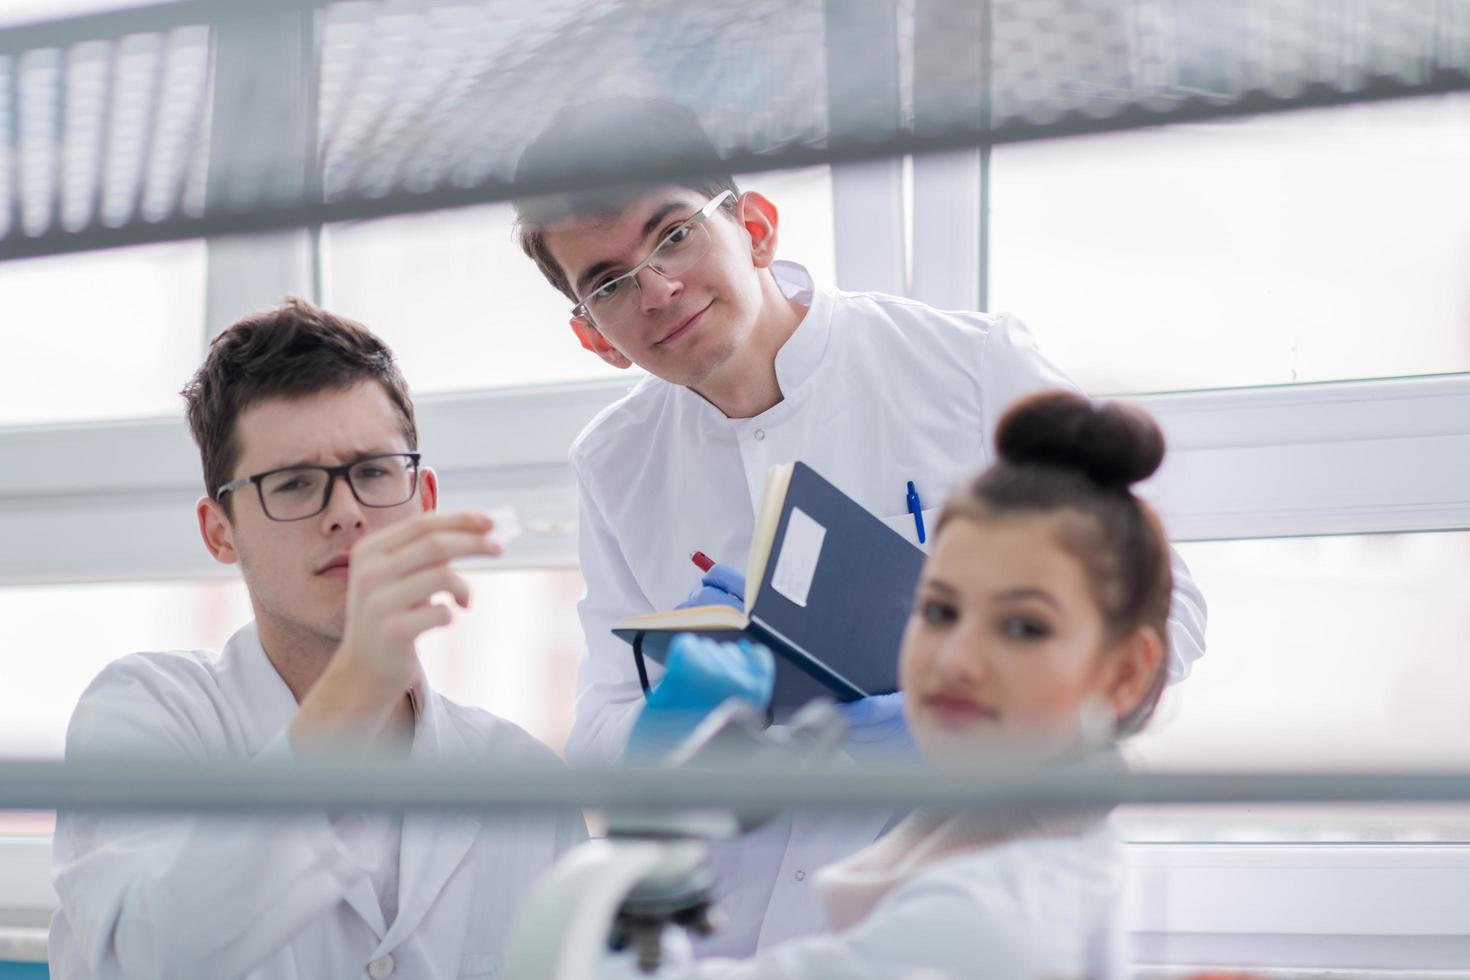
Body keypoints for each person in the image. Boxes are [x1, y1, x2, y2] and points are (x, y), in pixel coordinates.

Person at [512, 96, 1207, 954]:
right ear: (596, 339)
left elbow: (1166, 616)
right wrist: (678, 731)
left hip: (961, 900)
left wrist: (962, 732)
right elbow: (604, 732)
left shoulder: (966, 366)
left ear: (757, 228)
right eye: (610, 283)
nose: (658, 288)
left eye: (675, 234)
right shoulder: (615, 462)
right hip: (741, 931)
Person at [48, 300, 585, 980]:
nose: (346, 514)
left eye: (372, 472)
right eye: (294, 484)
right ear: (220, 531)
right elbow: (139, 960)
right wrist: (357, 689)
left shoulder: (521, 779)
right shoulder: (146, 717)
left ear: (424, 500)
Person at [601, 390, 1175, 979]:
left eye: (1024, 626)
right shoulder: (1030, 837)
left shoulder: (976, 922)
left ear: (1127, 671)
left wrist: (647, 829)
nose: (957, 660)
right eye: (939, 611)